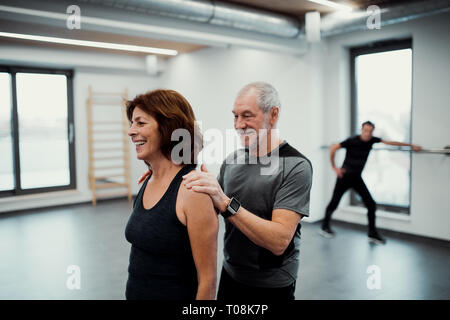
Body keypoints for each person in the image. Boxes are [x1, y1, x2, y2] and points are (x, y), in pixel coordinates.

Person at [179, 82, 312, 300]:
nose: (239, 125)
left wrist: (225, 201)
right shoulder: (232, 160)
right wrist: (163, 177)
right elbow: (212, 206)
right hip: (231, 273)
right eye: (235, 116)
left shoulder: (296, 166)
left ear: (273, 114)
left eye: (247, 116)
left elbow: (279, 241)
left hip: (272, 284)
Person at [124, 89, 219, 300]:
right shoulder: (148, 180)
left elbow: (208, 282)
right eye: (132, 123)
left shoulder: (193, 191)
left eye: (140, 123)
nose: (131, 131)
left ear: (168, 128)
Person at [319, 121, 422, 244]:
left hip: (357, 178)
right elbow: (334, 147)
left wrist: (411, 145)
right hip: (344, 177)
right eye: (365, 130)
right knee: (334, 203)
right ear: (361, 130)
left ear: (372, 131)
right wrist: (334, 167)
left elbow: (390, 143)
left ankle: (372, 234)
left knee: (371, 205)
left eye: (370, 131)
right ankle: (325, 227)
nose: (367, 133)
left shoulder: (373, 140)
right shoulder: (352, 140)